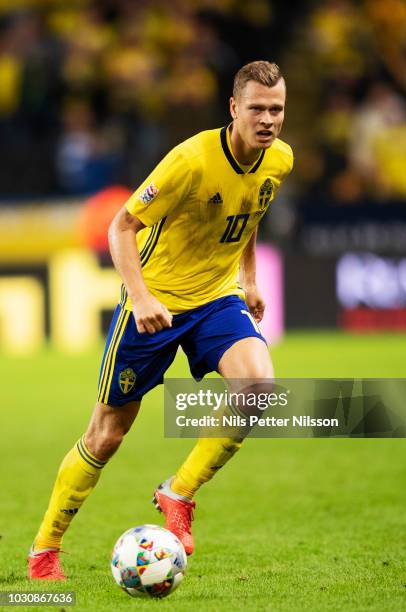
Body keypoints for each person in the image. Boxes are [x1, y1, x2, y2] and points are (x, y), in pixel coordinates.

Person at [28, 60, 293, 580]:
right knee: (106, 434)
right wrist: (141, 295)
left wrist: (250, 278)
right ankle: (45, 549)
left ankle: (178, 493)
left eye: (277, 109)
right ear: (234, 108)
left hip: (215, 299)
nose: (268, 120)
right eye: (257, 109)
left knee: (259, 385)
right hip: (155, 304)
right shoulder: (190, 161)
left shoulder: (279, 159)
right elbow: (121, 226)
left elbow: (247, 214)